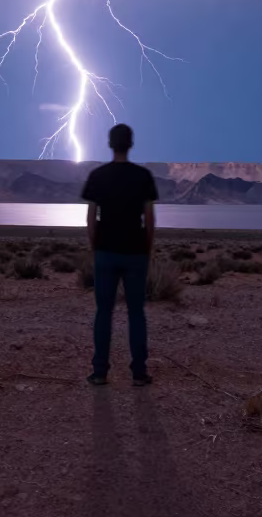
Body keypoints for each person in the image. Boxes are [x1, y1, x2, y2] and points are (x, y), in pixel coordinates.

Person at [80, 123, 159, 386]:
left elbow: (91, 217)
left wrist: (95, 247)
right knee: (136, 313)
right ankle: (139, 373)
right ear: (131, 144)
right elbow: (149, 218)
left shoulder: (98, 175)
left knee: (104, 312)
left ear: (109, 143)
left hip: (106, 252)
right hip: (136, 253)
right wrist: (147, 250)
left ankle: (100, 371)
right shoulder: (143, 176)